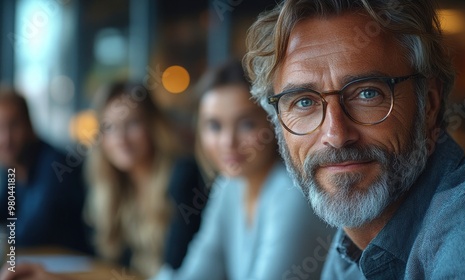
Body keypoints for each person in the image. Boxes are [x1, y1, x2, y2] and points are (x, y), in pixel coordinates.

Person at [243, 0, 465, 279]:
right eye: (304, 101)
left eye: (367, 93)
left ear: (429, 103)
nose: (336, 136)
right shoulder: (350, 249)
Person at [153, 60, 332, 280]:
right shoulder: (229, 186)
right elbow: (196, 272)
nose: (228, 142)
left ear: (273, 124)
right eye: (215, 126)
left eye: (246, 124)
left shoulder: (290, 194)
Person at [83, 82, 207, 277]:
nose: (121, 139)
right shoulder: (111, 187)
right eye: (110, 127)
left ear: (152, 126)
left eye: (132, 123)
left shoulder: (183, 176)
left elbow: (175, 266)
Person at [0, 86, 89, 253]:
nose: (6, 139)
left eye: (13, 125)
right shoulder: (11, 167)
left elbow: (28, 234)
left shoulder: (56, 166)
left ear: (29, 125)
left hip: (78, 267)